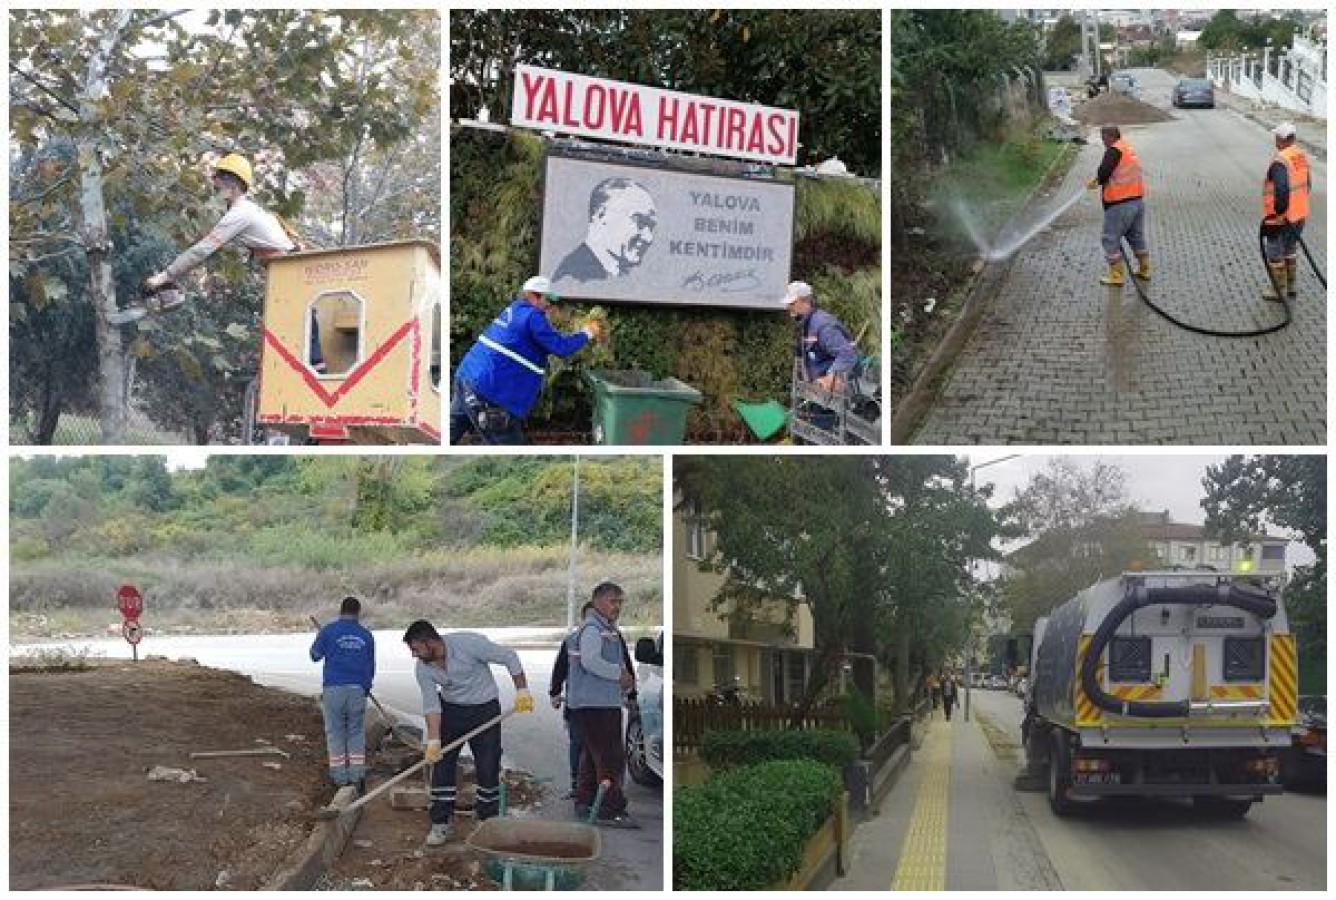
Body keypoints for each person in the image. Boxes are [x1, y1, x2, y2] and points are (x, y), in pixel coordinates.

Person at [115, 152, 324, 370]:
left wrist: (165, 276)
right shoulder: (250, 210)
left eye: (217, 183)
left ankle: (315, 370)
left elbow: (202, 250)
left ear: (231, 183)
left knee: (300, 326)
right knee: (294, 324)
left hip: (287, 268)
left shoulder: (241, 213)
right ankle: (310, 367)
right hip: (286, 268)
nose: (214, 188)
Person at [402, 619, 535, 846]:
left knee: (488, 764)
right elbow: (431, 704)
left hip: (485, 709)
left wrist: (521, 690)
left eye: (416, 649)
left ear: (430, 642)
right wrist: (434, 740)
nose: (414, 655)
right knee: (442, 764)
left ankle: (486, 819)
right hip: (452, 712)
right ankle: (441, 823)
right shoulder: (423, 668)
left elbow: (509, 656)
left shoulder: (469, 644)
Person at [450, 275, 603, 445]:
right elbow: (561, 348)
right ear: (532, 296)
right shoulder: (533, 317)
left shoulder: (514, 310)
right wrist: (587, 332)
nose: (549, 305)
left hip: (466, 379)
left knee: (449, 434)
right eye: (546, 299)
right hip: (490, 394)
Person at [567, 582, 639, 828]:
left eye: (620, 602)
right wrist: (618, 674)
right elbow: (590, 661)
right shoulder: (592, 630)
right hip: (596, 705)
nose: (617, 607)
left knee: (591, 756)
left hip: (595, 704)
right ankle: (611, 809)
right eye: (612, 601)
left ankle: (586, 802)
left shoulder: (603, 628)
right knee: (611, 759)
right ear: (597, 601)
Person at [549, 601, 636, 798]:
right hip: (584, 705)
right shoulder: (574, 639)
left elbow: (626, 666)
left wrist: (631, 693)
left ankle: (588, 795)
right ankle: (589, 793)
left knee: (592, 752)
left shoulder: (614, 638)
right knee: (584, 747)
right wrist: (555, 693)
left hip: (603, 703)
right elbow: (561, 668)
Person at [309, 596, 375, 790]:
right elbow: (371, 667)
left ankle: (339, 778)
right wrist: (366, 687)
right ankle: (357, 776)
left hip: (334, 689)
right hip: (357, 690)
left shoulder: (328, 631)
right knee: (355, 732)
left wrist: (325, 643)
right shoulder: (366, 635)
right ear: (358, 613)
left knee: (335, 733)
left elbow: (314, 656)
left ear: (341, 610)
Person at [553, 178, 658, 283]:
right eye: (639, 221)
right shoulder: (571, 278)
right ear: (601, 216)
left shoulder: (622, 279)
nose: (648, 238)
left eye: (651, 226)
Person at [1086, 125, 1150, 286]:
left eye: (1103, 138)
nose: (1102, 141)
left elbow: (1104, 172)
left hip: (1119, 203)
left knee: (1110, 239)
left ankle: (1116, 276)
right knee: (1136, 237)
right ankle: (1145, 269)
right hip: (1137, 202)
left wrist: (1098, 180)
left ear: (1110, 136)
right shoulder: (1127, 147)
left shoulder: (1113, 150)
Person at [1261, 121, 1312, 301]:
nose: (1275, 140)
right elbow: (1307, 184)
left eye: (1276, 137)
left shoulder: (1280, 161)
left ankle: (1277, 290)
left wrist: (1280, 214)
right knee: (1290, 248)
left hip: (1282, 217)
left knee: (1275, 253)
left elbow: (1281, 190)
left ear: (1281, 139)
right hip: (1300, 214)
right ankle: (1291, 286)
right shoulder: (1300, 155)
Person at [783, 281, 859, 392]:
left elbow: (847, 355)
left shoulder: (823, 327)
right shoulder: (805, 323)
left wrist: (830, 378)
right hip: (819, 390)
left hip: (838, 395)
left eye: (792, 303)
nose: (788, 307)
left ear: (805, 301)